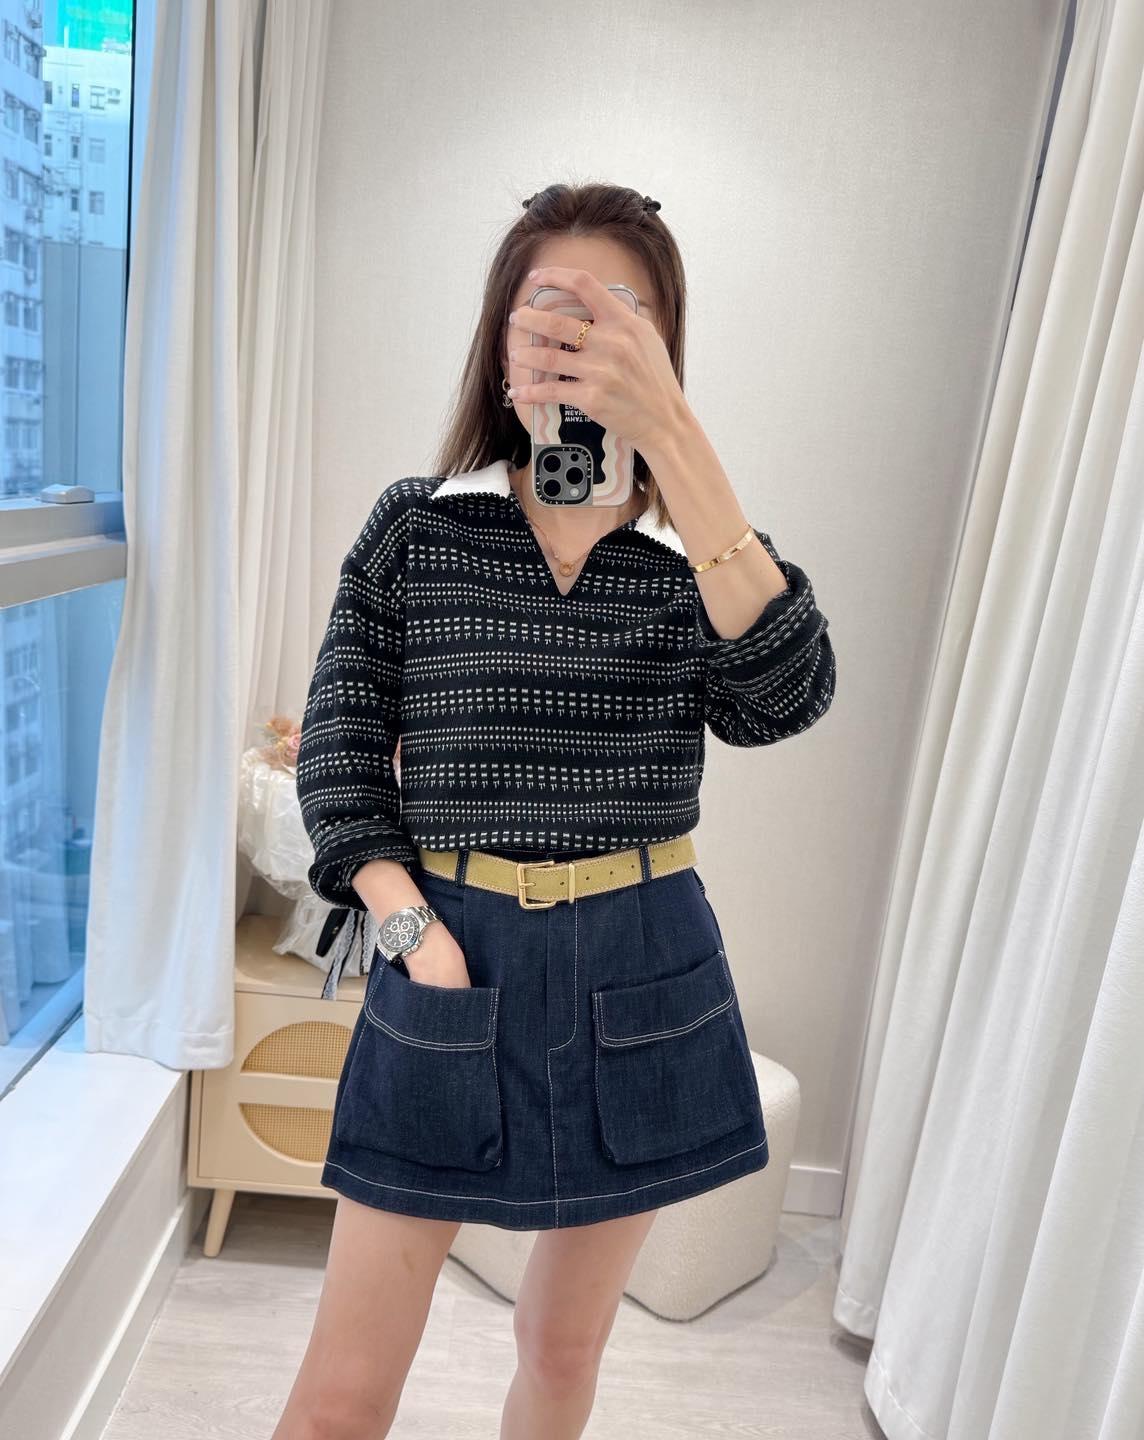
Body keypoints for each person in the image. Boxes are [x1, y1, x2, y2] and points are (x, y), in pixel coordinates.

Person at [276, 182, 836, 1440]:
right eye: (553, 308)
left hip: (643, 962)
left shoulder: (699, 554)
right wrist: (413, 933)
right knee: (340, 1400)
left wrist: (676, 444)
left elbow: (784, 698)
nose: (584, 336)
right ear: (502, 339)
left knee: (563, 1349)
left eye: (621, 313)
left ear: (664, 348)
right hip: (448, 948)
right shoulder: (419, 528)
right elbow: (342, 761)